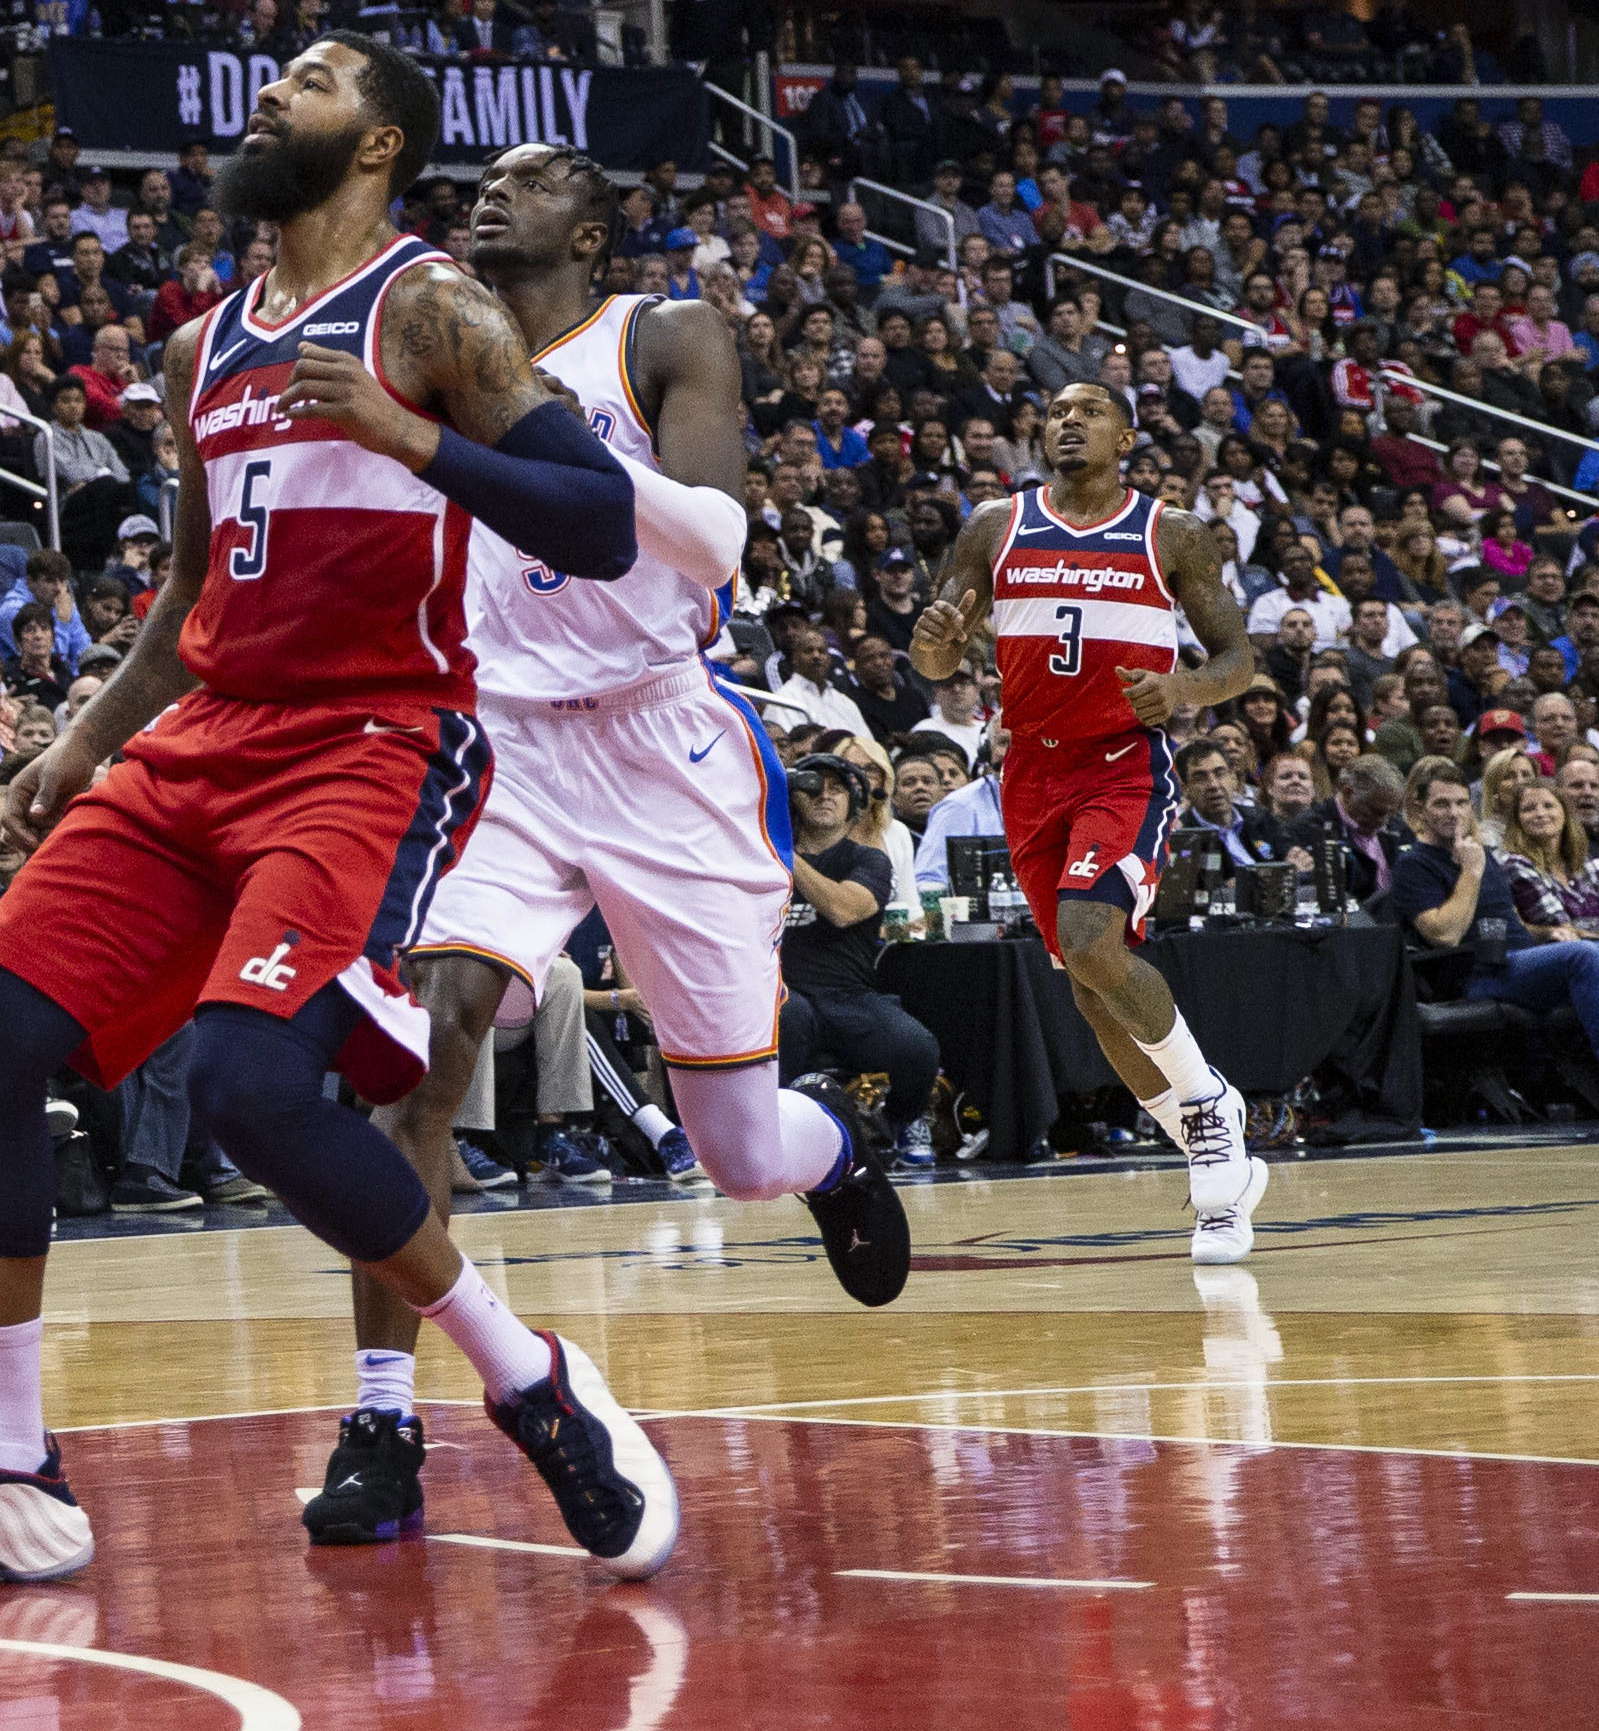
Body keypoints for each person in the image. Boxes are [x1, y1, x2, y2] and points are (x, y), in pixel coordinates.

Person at [0, 35, 670, 1594]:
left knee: (246, 1085)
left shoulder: (429, 308)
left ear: (376, 145)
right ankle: (7, 1476)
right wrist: (72, 747)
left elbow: (602, 523)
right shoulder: (201, 344)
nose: (271, 93)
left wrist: (415, 434)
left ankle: (524, 1375)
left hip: (368, 739)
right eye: (269, 77)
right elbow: (188, 597)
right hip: (200, 734)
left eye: (313, 81)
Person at [307, 145, 908, 1553]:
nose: (487, 194)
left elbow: (707, 541)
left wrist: (527, 442)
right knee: (423, 1051)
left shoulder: (660, 332)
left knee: (736, 1146)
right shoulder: (427, 337)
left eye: (528, 180)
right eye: (478, 180)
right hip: (495, 744)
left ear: (588, 221)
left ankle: (828, 1154)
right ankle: (384, 1413)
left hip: (659, 747)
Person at [907, 381, 1268, 1260]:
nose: (1067, 421)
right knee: (1083, 982)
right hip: (1027, 767)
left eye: (1089, 410)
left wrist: (1180, 689)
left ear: (1126, 437)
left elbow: (1238, 659)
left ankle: (1210, 1107)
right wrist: (933, 640)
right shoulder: (994, 524)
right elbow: (934, 653)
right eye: (1056, 410)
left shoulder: (1171, 533)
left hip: (1119, 764)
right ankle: (1211, 1157)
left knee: (1092, 938)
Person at [772, 753, 940, 1159]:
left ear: (854, 802)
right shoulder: (759, 862)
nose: (824, 796)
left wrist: (784, 856)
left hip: (847, 994)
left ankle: (902, 1121)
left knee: (918, 1047)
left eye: (837, 789)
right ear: (794, 799)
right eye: (813, 788)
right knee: (786, 1020)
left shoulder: (869, 860)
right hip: (783, 990)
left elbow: (844, 909)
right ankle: (778, 1134)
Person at [1392, 761, 1599, 1060]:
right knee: (1583, 956)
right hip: (1482, 973)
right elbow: (1445, 935)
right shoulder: (1414, 864)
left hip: (1523, 963)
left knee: (1584, 950)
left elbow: (1515, 924)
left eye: (1461, 803)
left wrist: (1552, 933)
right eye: (1441, 804)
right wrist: (1471, 873)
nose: (1454, 812)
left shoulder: (1482, 855)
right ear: (1419, 809)